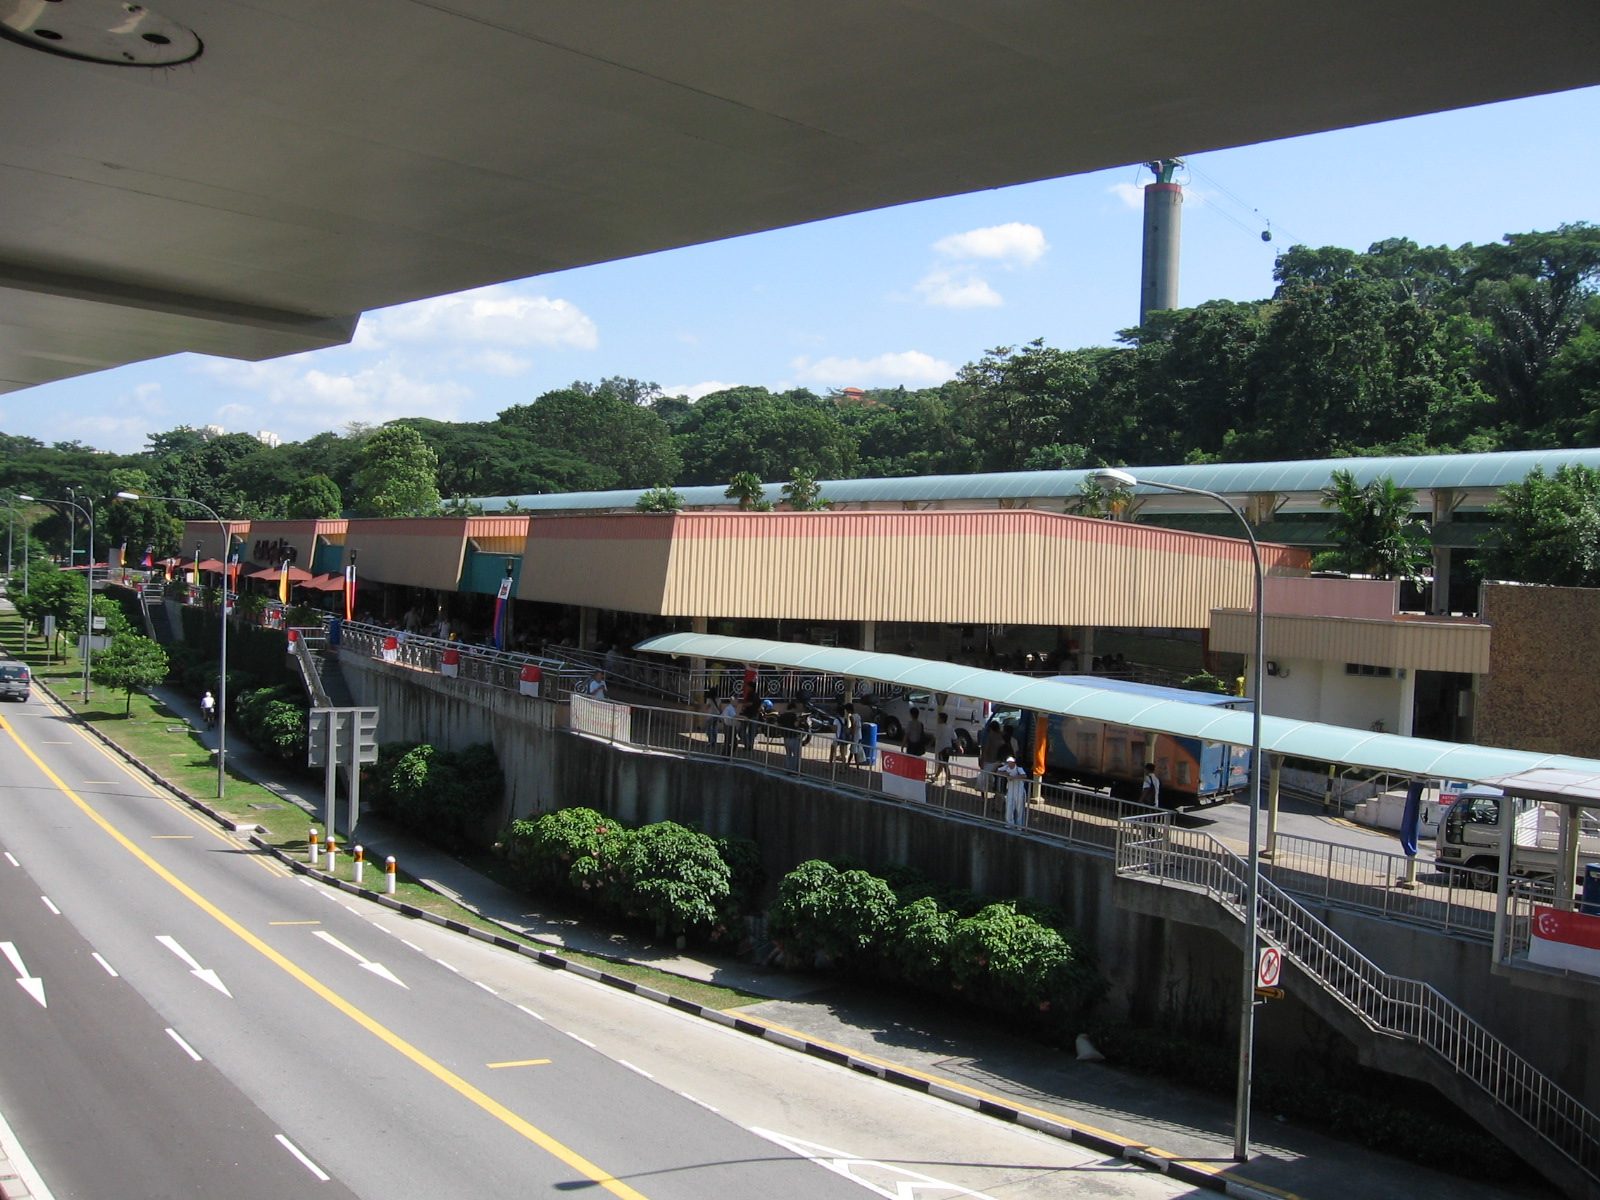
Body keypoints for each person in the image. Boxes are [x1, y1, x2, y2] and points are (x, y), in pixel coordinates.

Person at [997, 755, 1029, 826]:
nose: (1009, 764)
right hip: (1010, 790)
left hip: (1019, 790)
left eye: (1011, 762)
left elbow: (1024, 776)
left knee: (1020, 808)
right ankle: (1009, 823)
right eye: (1008, 762)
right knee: (1009, 806)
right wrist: (1006, 774)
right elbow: (998, 771)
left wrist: (1014, 777)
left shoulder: (1018, 768)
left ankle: (1019, 825)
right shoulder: (1006, 767)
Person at [930, 712, 957, 786]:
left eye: (938, 718)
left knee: (944, 765)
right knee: (942, 764)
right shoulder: (950, 727)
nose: (937, 719)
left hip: (941, 749)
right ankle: (936, 777)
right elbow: (954, 738)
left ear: (941, 719)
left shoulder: (939, 727)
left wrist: (929, 744)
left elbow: (935, 737)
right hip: (948, 748)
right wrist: (959, 746)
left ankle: (948, 780)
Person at [778, 699, 804, 772]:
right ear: (793, 708)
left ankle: (788, 768)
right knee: (796, 755)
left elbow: (777, 724)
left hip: (786, 737)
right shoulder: (793, 716)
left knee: (788, 754)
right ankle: (795, 770)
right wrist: (799, 720)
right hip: (793, 737)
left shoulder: (782, 715)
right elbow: (796, 724)